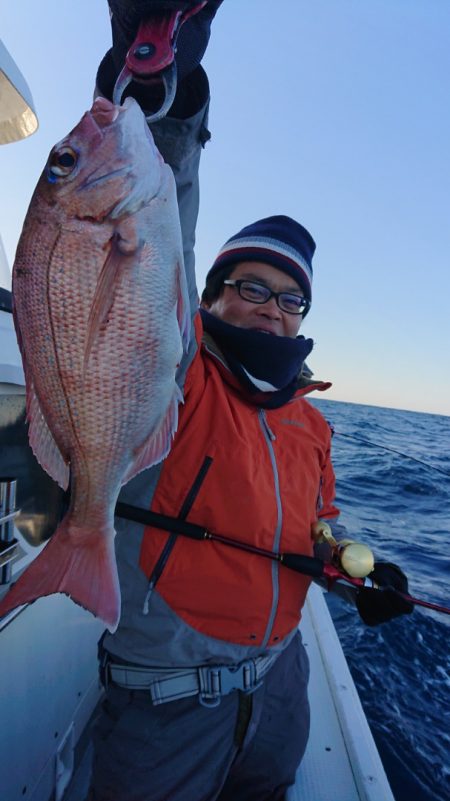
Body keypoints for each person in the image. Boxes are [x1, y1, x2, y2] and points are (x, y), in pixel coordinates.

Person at [88, 4, 413, 800]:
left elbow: (316, 522)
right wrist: (170, 100)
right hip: (163, 709)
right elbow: (159, 230)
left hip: (279, 687)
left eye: (290, 299)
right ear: (211, 296)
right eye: (252, 288)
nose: (272, 309)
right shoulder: (181, 367)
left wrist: (347, 566)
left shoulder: (309, 419)